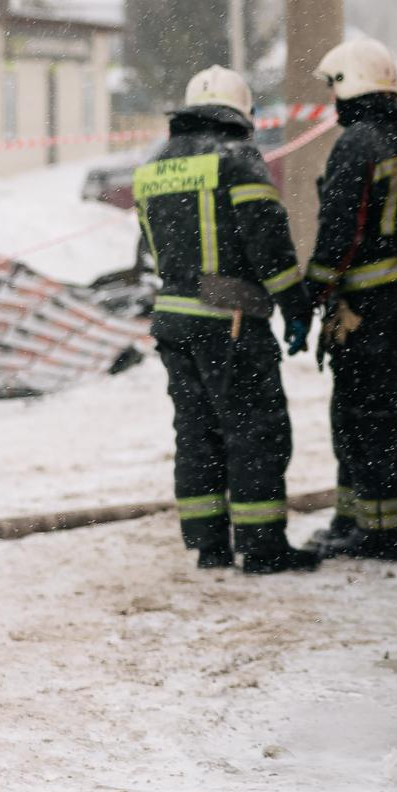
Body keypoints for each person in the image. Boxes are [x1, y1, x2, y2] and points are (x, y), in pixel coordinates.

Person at [135, 67, 318, 574]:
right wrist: (296, 306)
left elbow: (152, 249)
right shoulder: (236, 160)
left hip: (173, 318)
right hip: (229, 320)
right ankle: (262, 547)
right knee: (255, 431)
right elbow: (269, 247)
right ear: (242, 113)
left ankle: (209, 544)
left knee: (197, 434)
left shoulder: (154, 165)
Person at [303, 38, 397, 562]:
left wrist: (311, 292)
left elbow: (338, 228)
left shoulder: (358, 144)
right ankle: (354, 516)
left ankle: (380, 531)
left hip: (368, 303)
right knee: (368, 407)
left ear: (346, 86)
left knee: (365, 411)